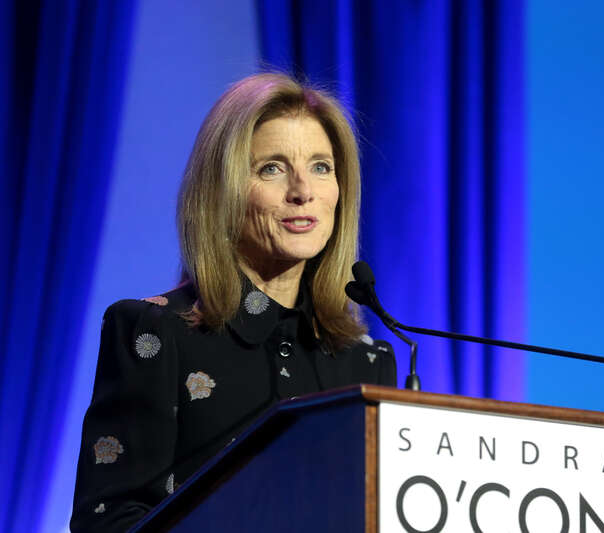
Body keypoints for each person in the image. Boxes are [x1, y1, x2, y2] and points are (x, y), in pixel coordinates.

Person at [70, 73, 397, 532]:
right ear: (222, 191)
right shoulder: (155, 332)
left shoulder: (367, 359)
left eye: (322, 166)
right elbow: (108, 520)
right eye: (272, 168)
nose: (303, 190)